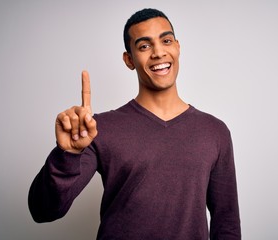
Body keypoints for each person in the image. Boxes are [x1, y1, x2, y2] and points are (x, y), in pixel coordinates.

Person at [28, 8, 241, 240]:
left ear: (177, 47)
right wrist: (67, 154)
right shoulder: (97, 129)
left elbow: (226, 222)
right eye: (144, 46)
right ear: (129, 59)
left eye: (166, 41)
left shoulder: (214, 131)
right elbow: (43, 210)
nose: (159, 52)